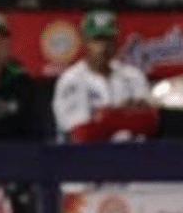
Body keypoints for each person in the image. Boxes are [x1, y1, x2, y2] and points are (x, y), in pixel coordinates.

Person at [52, 10, 158, 143]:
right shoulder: (70, 80)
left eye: (109, 39)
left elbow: (150, 123)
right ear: (84, 41)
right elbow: (82, 134)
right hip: (83, 159)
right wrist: (126, 116)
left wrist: (105, 118)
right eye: (97, 39)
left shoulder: (133, 75)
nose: (104, 46)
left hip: (132, 156)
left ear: (116, 40)